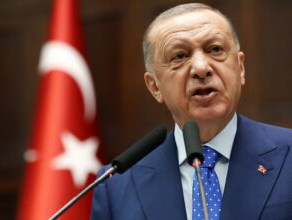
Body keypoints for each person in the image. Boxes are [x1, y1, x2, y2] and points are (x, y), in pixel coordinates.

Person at [91, 3, 292, 220]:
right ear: (154, 86)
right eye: (179, 56)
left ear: (240, 67)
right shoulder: (118, 185)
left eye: (215, 49)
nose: (200, 68)